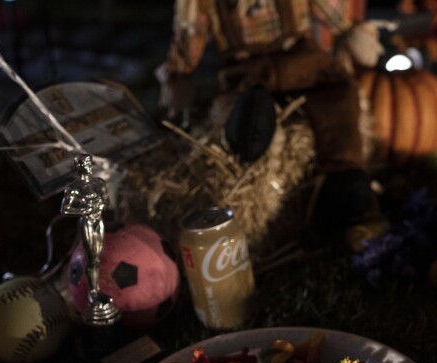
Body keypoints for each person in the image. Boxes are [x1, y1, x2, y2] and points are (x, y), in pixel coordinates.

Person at [158, 0, 385, 241]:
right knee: (242, 109)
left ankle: (346, 180)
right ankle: (249, 138)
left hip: (302, 63)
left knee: (337, 98)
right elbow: (189, 36)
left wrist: (351, 30)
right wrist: (179, 77)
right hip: (246, 71)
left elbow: (333, 14)